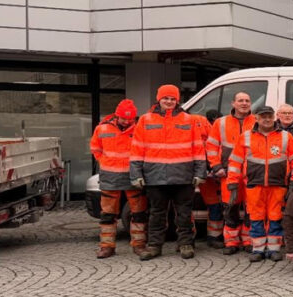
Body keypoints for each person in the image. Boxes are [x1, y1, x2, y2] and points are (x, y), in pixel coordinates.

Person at [130, 84, 207, 261]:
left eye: (172, 99)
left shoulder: (188, 120)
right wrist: (136, 174)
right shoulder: (145, 120)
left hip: (183, 176)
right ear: (159, 99)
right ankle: (155, 246)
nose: (169, 101)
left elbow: (198, 148)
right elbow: (136, 149)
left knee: (184, 213)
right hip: (155, 176)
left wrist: (200, 173)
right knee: (156, 214)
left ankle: (185, 244)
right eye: (166, 98)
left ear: (177, 100)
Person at [227, 106, 293, 262]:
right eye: (263, 117)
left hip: (278, 185)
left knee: (276, 216)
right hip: (254, 184)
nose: (267, 119)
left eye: (269, 116)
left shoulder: (286, 137)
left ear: (274, 117)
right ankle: (258, 249)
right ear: (257, 118)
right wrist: (233, 181)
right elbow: (235, 161)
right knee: (256, 217)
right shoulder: (246, 137)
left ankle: (274, 249)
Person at [90, 99, 147, 258]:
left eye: (130, 118)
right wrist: (105, 161)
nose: (127, 121)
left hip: (133, 177)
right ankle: (107, 247)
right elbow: (95, 148)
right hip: (111, 177)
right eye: (124, 118)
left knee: (139, 213)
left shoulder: (140, 129)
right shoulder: (102, 128)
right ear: (117, 115)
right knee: (107, 214)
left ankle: (139, 244)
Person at [206, 91, 256, 253]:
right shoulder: (221, 123)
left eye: (247, 100)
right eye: (240, 100)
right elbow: (212, 146)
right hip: (228, 173)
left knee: (251, 209)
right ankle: (231, 242)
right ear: (233, 104)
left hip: (252, 173)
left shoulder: (257, 121)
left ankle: (249, 241)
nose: (244, 103)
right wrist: (216, 166)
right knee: (230, 208)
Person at [192, 112, 224, 248]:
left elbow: (213, 149)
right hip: (192, 172)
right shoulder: (199, 123)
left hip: (204, 172)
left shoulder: (200, 123)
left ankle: (212, 236)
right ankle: (212, 236)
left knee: (214, 204)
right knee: (213, 204)